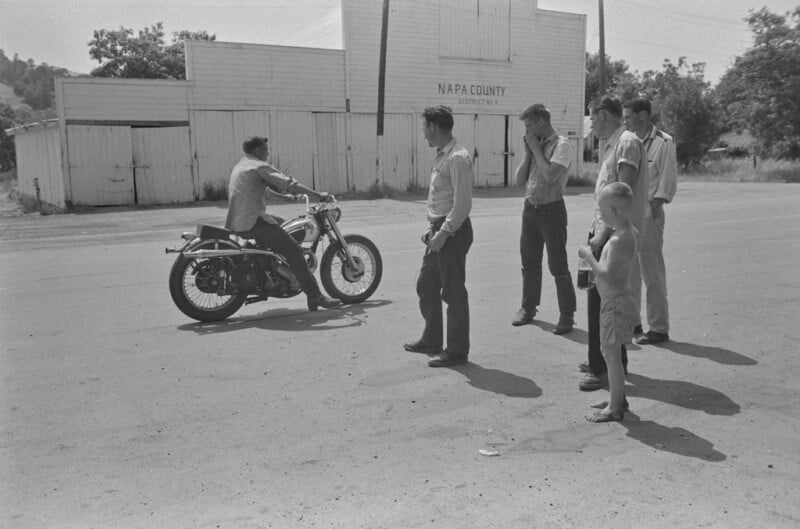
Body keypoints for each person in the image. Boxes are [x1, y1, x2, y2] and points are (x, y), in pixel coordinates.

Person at [579, 95, 648, 391]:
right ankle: (603, 358)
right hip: (604, 231)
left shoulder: (627, 142)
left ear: (604, 115)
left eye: (593, 117)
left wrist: (604, 234)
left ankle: (602, 369)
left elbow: (621, 193)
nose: (591, 123)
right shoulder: (611, 144)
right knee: (598, 300)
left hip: (613, 236)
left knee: (606, 303)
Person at [225, 136, 340, 311]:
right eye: (265, 149)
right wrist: (318, 195)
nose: (268, 152)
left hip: (238, 220)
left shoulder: (242, 166)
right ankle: (315, 295)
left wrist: (288, 198)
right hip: (253, 221)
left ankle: (276, 269)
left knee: (282, 224)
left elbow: (265, 193)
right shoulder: (259, 166)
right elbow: (287, 183)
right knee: (294, 250)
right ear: (257, 151)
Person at [403, 106, 474, 367]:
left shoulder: (456, 157)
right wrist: (432, 228)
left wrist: (443, 232)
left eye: (425, 129)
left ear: (434, 127)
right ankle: (432, 339)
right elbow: (441, 200)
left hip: (452, 232)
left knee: (453, 292)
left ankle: (457, 350)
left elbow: (462, 205)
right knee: (426, 284)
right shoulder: (442, 156)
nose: (424, 135)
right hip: (439, 230)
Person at [511, 104, 577, 334]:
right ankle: (528, 308)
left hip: (552, 209)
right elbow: (518, 180)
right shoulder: (534, 146)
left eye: (529, 125)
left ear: (541, 122)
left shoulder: (563, 145)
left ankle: (567, 315)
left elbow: (550, 175)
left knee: (558, 264)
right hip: (531, 208)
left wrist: (537, 151)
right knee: (529, 262)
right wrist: (530, 154)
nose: (527, 132)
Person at [578, 182, 639, 422]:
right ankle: (618, 397)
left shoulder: (616, 242)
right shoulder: (630, 233)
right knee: (615, 352)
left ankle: (614, 409)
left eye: (602, 212)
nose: (600, 216)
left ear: (613, 212)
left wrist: (588, 256)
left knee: (610, 355)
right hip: (622, 300)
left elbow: (605, 274)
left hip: (613, 304)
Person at [622, 98, 677, 345]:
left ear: (642, 116)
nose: (626, 120)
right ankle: (634, 322)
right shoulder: (629, 141)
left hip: (649, 211)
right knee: (629, 270)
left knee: (651, 272)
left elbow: (666, 180)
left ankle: (658, 327)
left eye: (629, 116)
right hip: (629, 212)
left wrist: (653, 210)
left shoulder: (663, 142)